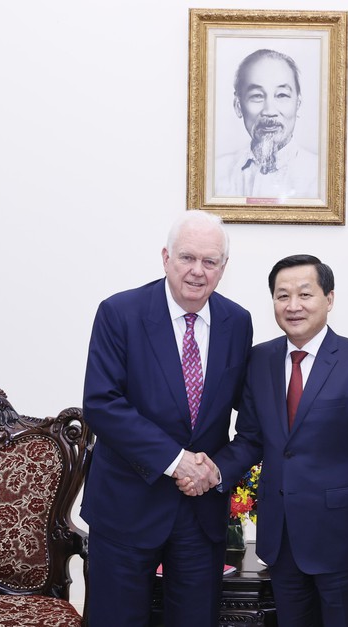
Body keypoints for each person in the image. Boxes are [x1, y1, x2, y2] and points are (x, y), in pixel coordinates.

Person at [180, 254, 348, 627]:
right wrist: (213, 471)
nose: (293, 305)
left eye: (305, 294)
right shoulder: (259, 360)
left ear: (329, 299)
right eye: (282, 296)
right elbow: (250, 439)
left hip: (344, 546)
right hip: (281, 543)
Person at [80, 210, 253, 627]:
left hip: (200, 515)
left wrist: (216, 470)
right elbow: (102, 403)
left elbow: (250, 421)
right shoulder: (120, 313)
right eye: (187, 257)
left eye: (210, 261)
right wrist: (177, 461)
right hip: (125, 508)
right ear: (166, 257)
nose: (197, 271)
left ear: (223, 267)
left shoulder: (237, 322)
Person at [215, 49, 319, 201]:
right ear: (238, 106)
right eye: (257, 96)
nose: (269, 111)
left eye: (282, 95)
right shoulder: (216, 174)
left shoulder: (321, 177)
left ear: (298, 104)